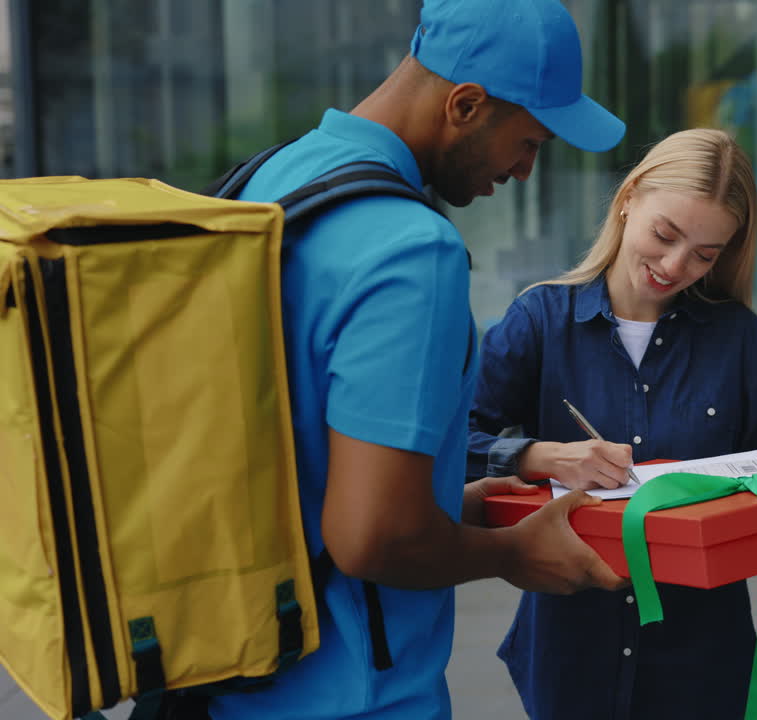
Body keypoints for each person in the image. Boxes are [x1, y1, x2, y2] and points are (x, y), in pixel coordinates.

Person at [206, 1, 629, 719]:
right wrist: (512, 555)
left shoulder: (272, 178)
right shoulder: (412, 251)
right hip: (351, 696)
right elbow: (372, 537)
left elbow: (309, 461)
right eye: (529, 141)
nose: (526, 171)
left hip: (231, 670)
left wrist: (475, 506)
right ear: (466, 104)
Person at [468, 128, 757, 720]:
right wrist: (539, 455)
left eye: (705, 254)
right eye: (665, 235)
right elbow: (452, 450)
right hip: (572, 641)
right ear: (629, 198)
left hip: (701, 647)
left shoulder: (742, 340)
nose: (675, 266)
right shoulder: (540, 321)